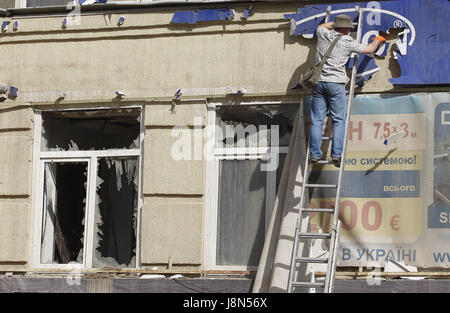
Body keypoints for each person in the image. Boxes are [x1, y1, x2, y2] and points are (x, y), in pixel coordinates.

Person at [309, 14, 385, 166]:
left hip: (318, 83)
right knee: (338, 120)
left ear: (335, 26)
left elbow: (321, 27)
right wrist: (378, 39)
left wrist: (334, 23)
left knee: (317, 120)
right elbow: (369, 49)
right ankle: (336, 154)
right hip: (336, 84)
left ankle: (314, 154)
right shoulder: (347, 41)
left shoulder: (323, 34)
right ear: (346, 29)